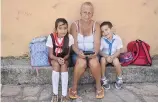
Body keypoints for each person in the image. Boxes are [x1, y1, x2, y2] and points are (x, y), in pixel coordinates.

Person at [69, 2, 104, 99]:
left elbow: (97, 44)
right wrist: (78, 52)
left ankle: (98, 86)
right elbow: (73, 45)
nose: (87, 15)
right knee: (81, 62)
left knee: (94, 62)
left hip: (92, 53)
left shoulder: (96, 25)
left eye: (89, 13)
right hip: (78, 53)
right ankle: (74, 87)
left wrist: (95, 52)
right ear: (80, 13)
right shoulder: (74, 25)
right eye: (84, 12)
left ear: (92, 14)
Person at [46, 18, 74, 102]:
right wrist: (57, 59)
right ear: (56, 29)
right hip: (54, 58)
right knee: (56, 65)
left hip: (65, 58)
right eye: (60, 28)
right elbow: (50, 55)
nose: (63, 31)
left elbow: (68, 54)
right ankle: (55, 94)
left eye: (65, 28)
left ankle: (64, 95)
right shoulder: (51, 37)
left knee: (64, 65)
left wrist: (63, 59)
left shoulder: (69, 37)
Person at [99, 21, 123, 90]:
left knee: (116, 61)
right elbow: (100, 51)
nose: (105, 33)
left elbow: (118, 51)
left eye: (106, 30)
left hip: (114, 56)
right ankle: (103, 79)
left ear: (111, 29)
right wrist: (106, 56)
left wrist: (112, 57)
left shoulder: (117, 38)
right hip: (105, 56)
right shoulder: (102, 40)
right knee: (102, 60)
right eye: (102, 31)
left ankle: (119, 78)